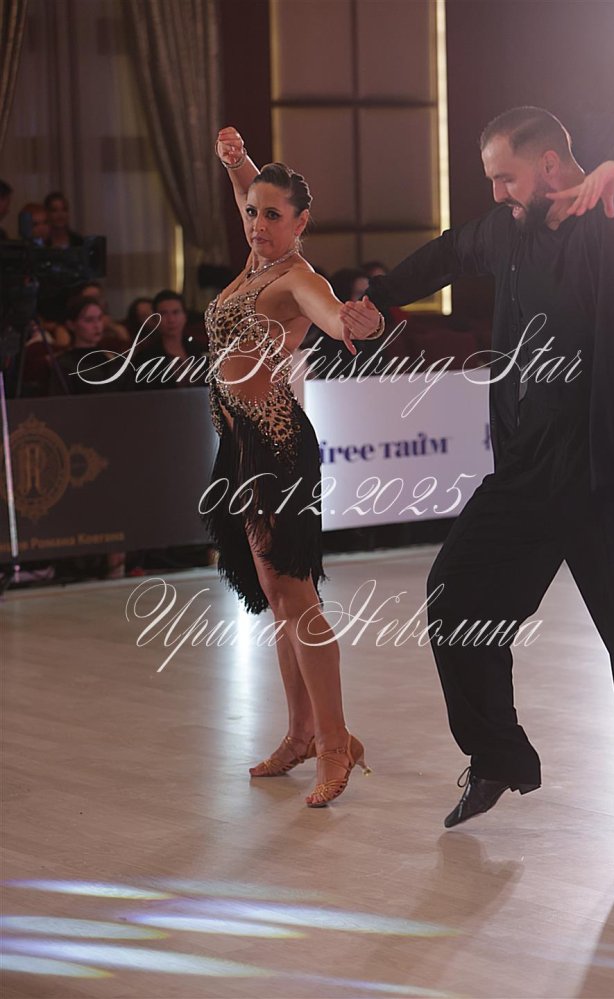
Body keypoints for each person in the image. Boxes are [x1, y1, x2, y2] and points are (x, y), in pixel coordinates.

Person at [367, 106, 614, 840]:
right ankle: (498, 754)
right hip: (530, 468)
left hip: (612, 471)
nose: (498, 193)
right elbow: (446, 253)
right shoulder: (507, 230)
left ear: (550, 165)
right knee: (456, 593)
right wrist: (374, 301)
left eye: (506, 177)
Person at [204, 126, 383, 807]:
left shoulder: (297, 278)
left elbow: (332, 316)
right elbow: (249, 192)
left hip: (276, 450)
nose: (257, 223)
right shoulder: (255, 265)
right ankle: (302, 731)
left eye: (272, 216)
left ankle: (334, 743)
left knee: (298, 598)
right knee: (279, 598)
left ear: (300, 223)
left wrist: (355, 324)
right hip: (239, 449)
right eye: (252, 212)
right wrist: (237, 162)